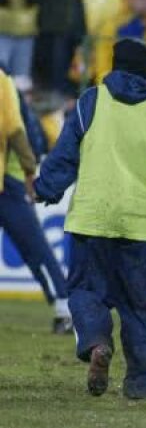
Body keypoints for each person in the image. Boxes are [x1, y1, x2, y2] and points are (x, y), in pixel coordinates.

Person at [33, 38, 146, 400]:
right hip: (136, 224)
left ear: (114, 65)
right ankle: (139, 383)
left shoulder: (91, 101)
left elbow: (65, 153)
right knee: (140, 307)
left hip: (90, 219)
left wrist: (46, 187)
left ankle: (96, 341)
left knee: (85, 292)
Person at [0, 70, 69, 333]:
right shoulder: (5, 84)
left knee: (35, 250)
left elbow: (19, 131)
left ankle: (64, 305)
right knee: (35, 250)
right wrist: (30, 171)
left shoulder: (6, 85)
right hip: (11, 181)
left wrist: (28, 170)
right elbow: (18, 130)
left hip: (10, 181)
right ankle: (64, 307)